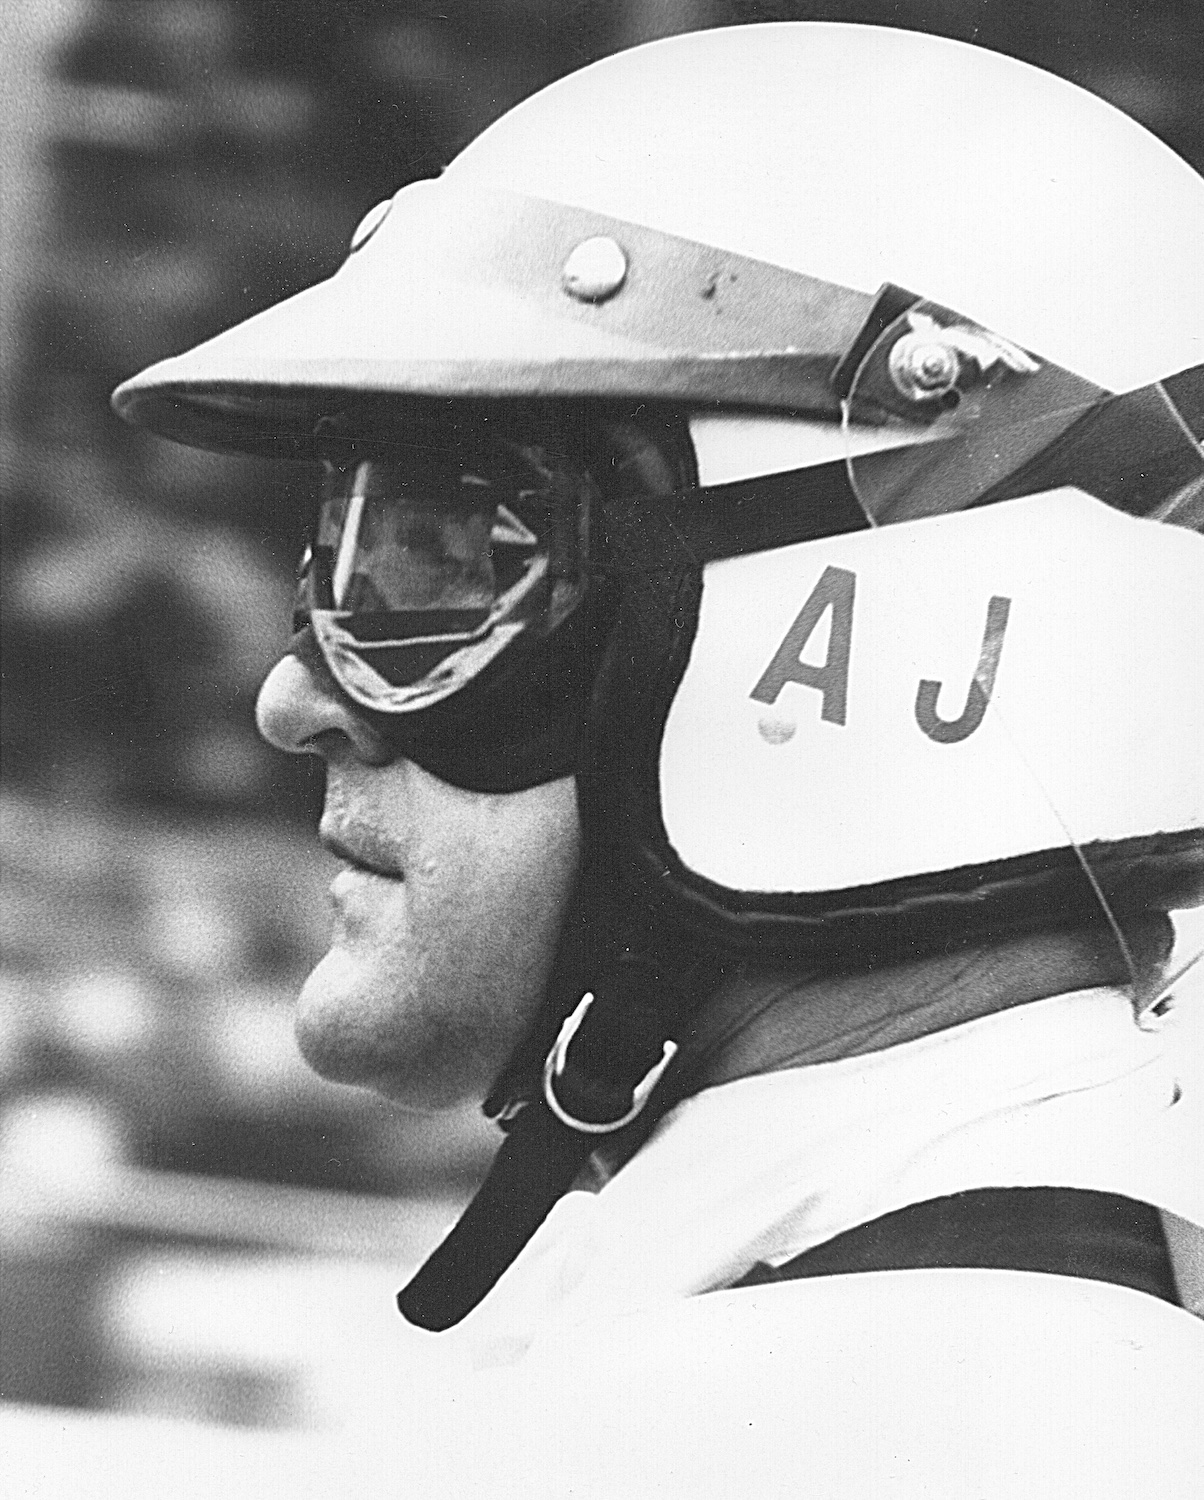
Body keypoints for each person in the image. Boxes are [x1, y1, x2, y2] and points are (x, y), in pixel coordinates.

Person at [112, 22, 1204, 1496]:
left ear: (900, 643)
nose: (294, 702)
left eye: (447, 563)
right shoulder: (1035, 1335)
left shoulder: (831, 1416)